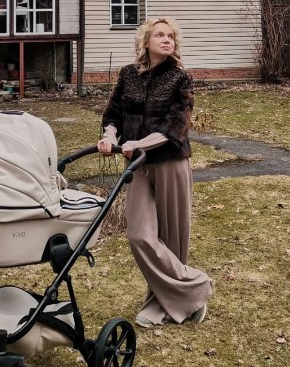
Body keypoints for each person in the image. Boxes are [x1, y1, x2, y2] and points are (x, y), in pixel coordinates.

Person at [97, 17, 213, 328]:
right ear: (146, 41)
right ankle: (195, 288)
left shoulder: (180, 78)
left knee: (172, 238)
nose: (166, 40)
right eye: (159, 35)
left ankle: (162, 303)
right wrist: (109, 136)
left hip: (170, 163)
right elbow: (113, 115)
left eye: (171, 36)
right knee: (139, 236)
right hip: (138, 166)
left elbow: (176, 126)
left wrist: (139, 143)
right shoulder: (128, 75)